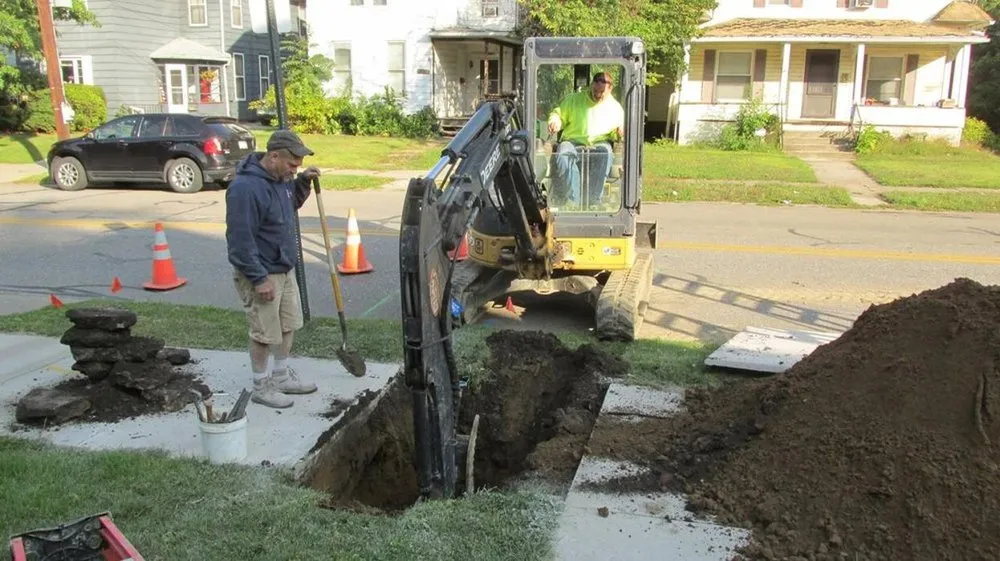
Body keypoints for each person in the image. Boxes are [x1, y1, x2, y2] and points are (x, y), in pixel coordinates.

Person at [225, 130, 321, 409]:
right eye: (293, 164)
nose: (295, 169)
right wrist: (258, 278)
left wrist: (302, 183)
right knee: (264, 333)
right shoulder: (245, 189)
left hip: (283, 268)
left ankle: (280, 377)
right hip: (262, 273)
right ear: (274, 156)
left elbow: (288, 206)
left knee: (288, 325)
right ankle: (261, 386)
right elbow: (240, 240)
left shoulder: (282, 180)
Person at [546, 72, 625, 208]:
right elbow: (557, 114)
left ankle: (594, 201)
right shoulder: (573, 100)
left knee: (605, 153)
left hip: (600, 142)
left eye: (601, 92)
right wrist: (555, 122)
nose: (597, 95)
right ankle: (573, 202)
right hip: (572, 140)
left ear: (610, 89)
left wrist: (619, 133)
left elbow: (616, 132)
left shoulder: (615, 108)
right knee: (563, 154)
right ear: (591, 85)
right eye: (595, 90)